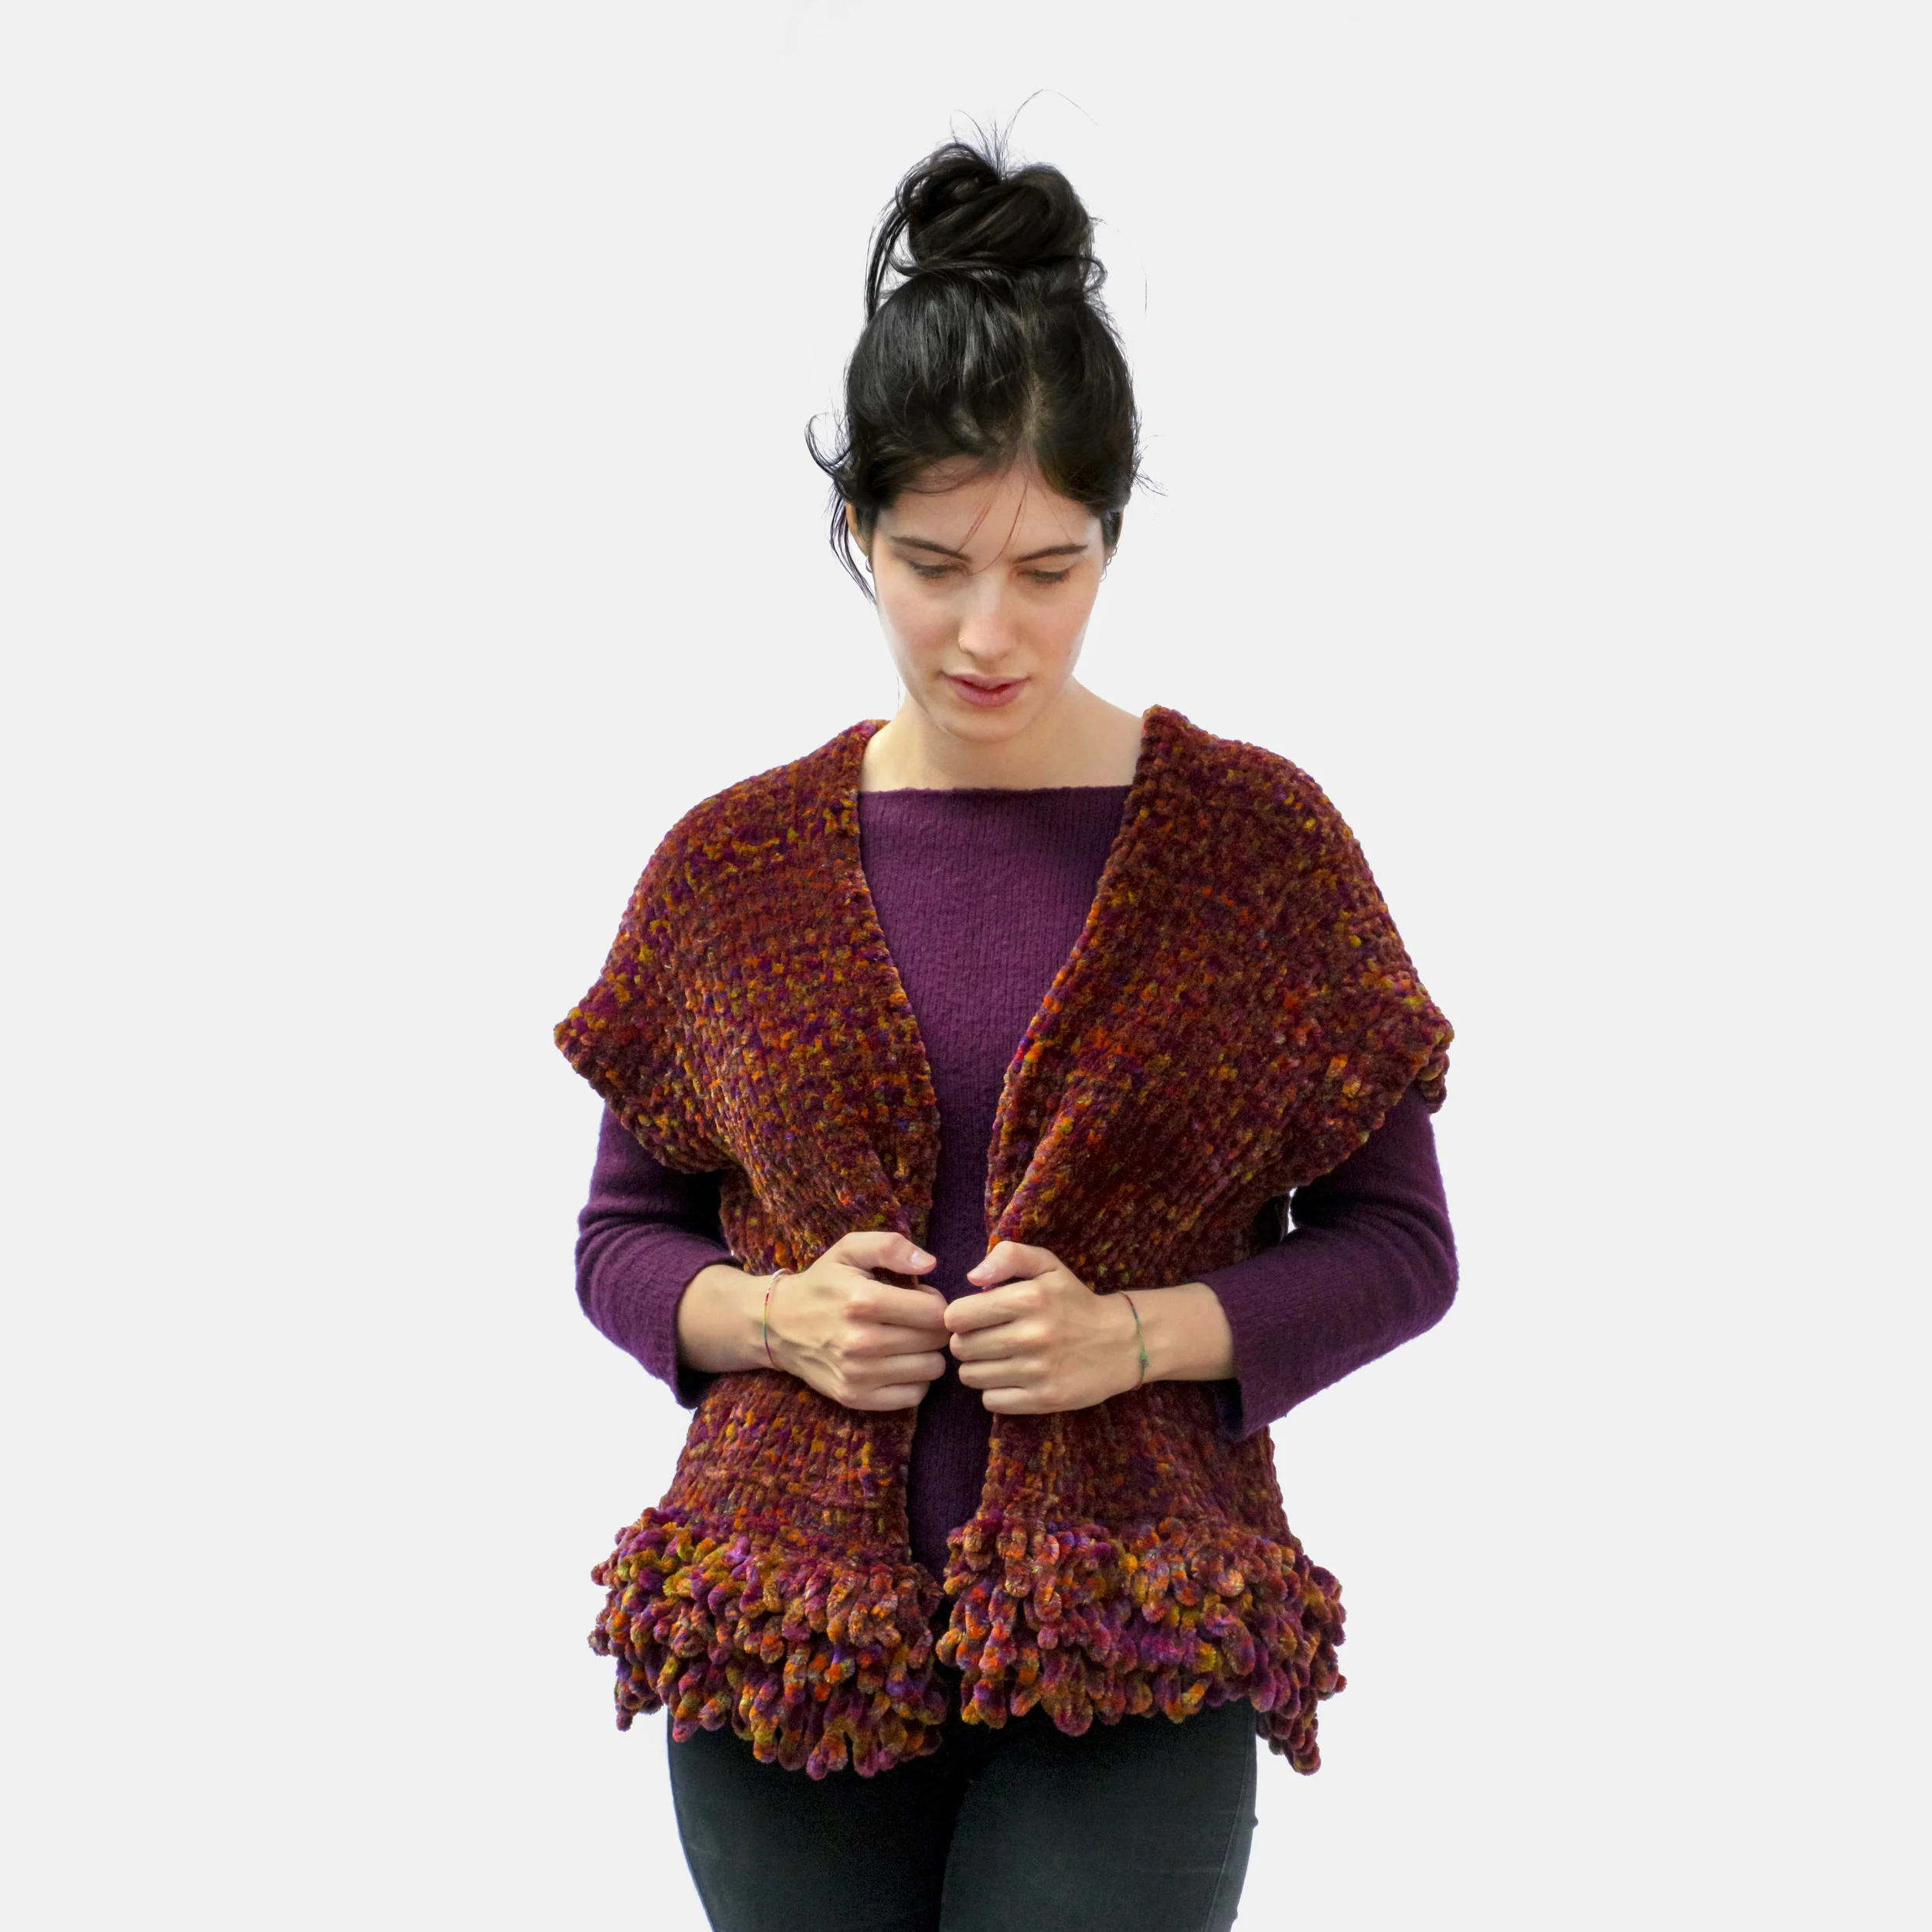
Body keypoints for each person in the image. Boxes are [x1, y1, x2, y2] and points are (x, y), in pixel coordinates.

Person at [556, 131, 1457, 1932]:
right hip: (781, 1628)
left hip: (1138, 1622)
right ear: (854, 530)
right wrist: (774, 1315)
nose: (988, 629)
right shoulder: (728, 868)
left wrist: (1138, 1332)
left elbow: (1397, 1244)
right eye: (932, 561)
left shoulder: (1256, 849)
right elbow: (617, 1239)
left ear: (1110, 532)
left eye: (1047, 566)